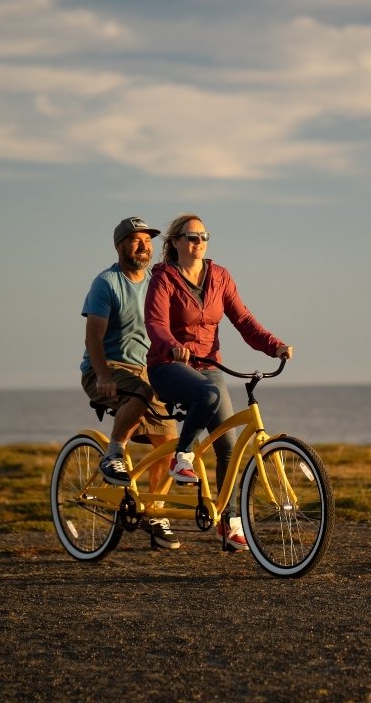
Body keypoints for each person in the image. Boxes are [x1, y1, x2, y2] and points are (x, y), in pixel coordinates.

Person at [144, 213, 293, 551]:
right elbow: (154, 322)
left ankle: (229, 523)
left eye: (204, 236)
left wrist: (275, 346)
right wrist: (172, 345)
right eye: (192, 237)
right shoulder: (164, 278)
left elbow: (243, 320)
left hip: (209, 366)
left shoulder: (220, 277)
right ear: (176, 242)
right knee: (210, 393)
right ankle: (182, 456)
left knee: (228, 445)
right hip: (169, 366)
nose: (198, 242)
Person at [80, 216, 181, 551]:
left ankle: (155, 513)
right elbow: (93, 337)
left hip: (147, 370)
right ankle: (113, 454)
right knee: (141, 393)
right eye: (136, 240)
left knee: (169, 442)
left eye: (148, 240)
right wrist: (105, 376)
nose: (144, 246)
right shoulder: (106, 283)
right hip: (105, 367)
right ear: (119, 245)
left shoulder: (156, 281)